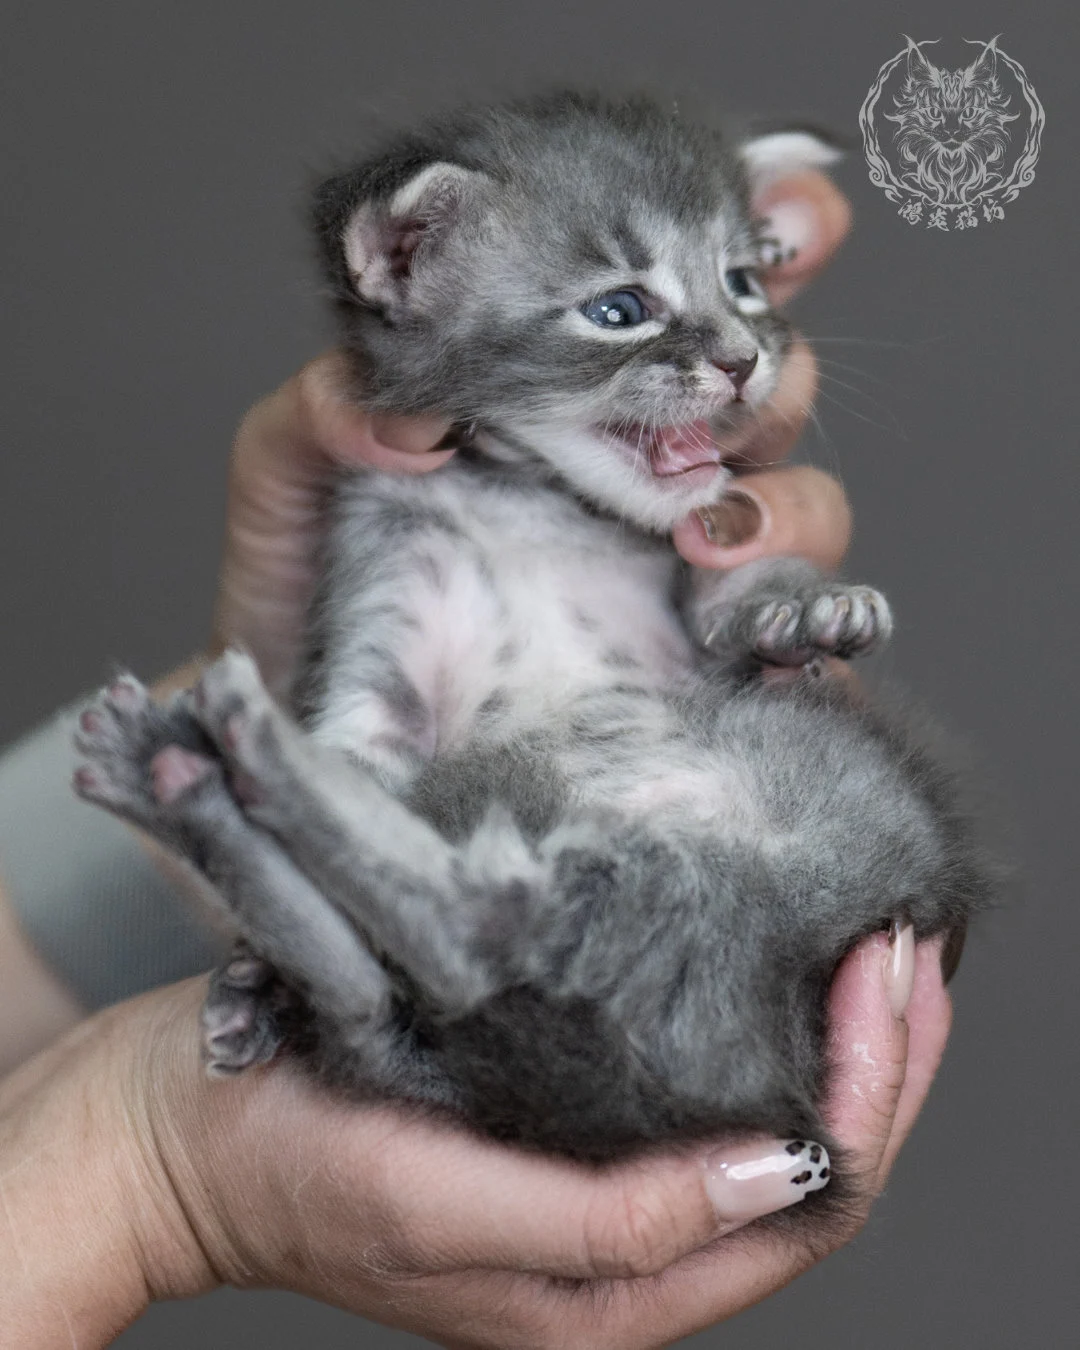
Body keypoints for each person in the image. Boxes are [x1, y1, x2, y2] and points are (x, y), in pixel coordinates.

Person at [0, 170, 954, 1349]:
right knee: (429, 980)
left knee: (859, 834)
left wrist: (764, 615)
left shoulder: (624, 515)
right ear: (405, 267)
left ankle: (315, 866)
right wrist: (144, 1176)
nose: (735, 350)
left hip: (592, 879)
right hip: (570, 922)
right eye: (622, 307)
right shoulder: (416, 493)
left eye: (740, 289)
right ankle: (345, 876)